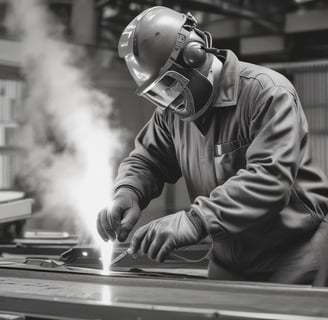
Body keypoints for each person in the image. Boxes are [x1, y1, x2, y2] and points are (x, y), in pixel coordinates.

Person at [97, 6, 328, 286]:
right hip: (230, 257)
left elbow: (270, 178)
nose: (170, 101)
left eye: (170, 85)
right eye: (158, 92)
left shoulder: (267, 92)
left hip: (293, 252)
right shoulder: (172, 113)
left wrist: (196, 219)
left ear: (194, 55)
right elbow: (147, 160)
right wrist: (128, 192)